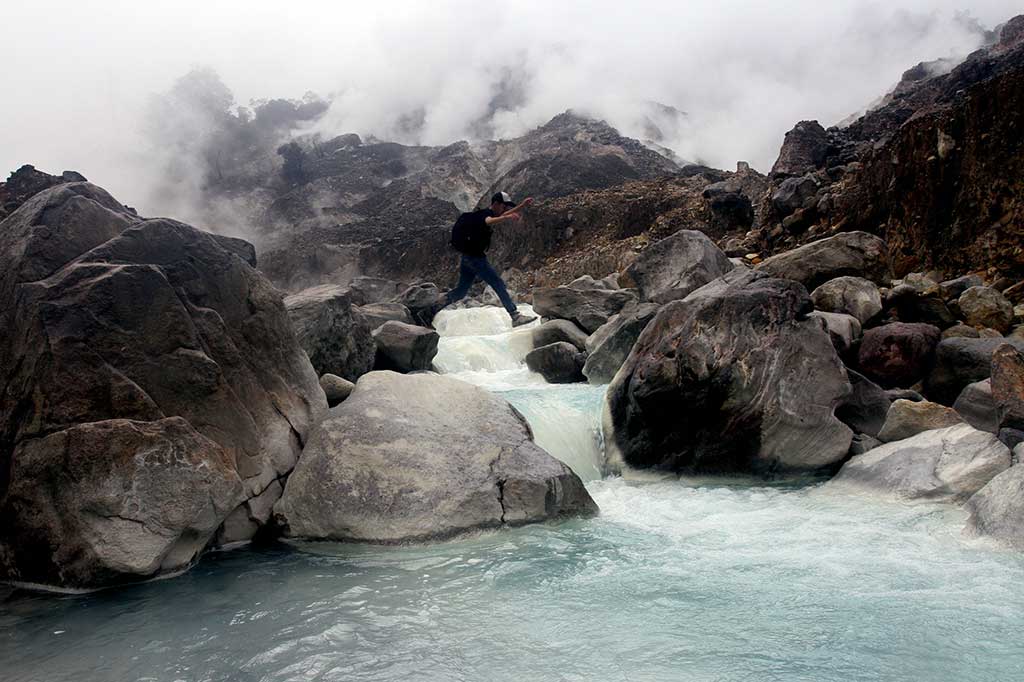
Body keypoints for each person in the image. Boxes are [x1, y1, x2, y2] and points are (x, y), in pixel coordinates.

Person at [430, 191, 538, 327]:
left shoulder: (487, 213)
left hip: (467, 258)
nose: (505, 210)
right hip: (476, 259)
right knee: (498, 283)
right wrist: (508, 217)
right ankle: (515, 316)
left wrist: (522, 205)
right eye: (504, 206)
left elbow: (501, 215)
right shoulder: (485, 215)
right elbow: (490, 221)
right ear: (496, 204)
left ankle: (431, 310)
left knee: (461, 291)